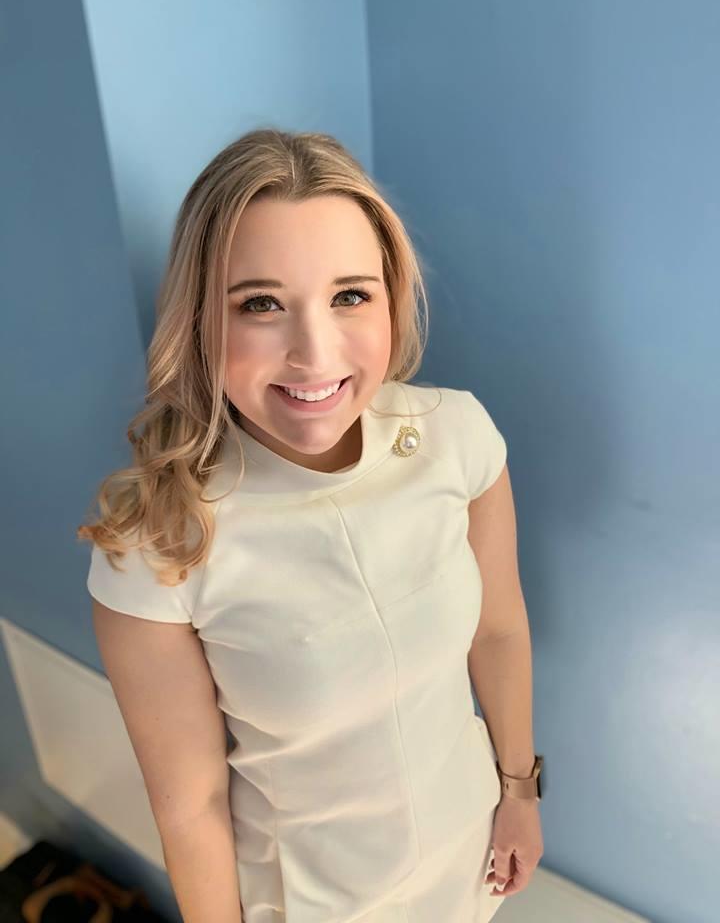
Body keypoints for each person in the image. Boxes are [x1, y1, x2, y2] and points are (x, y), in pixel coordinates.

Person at [77, 128, 543, 923]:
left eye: (350, 295)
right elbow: (190, 806)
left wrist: (519, 793)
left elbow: (497, 631)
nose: (314, 353)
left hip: (471, 860)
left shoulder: (458, 438)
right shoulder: (157, 544)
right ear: (201, 320)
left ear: (391, 298)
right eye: (261, 304)